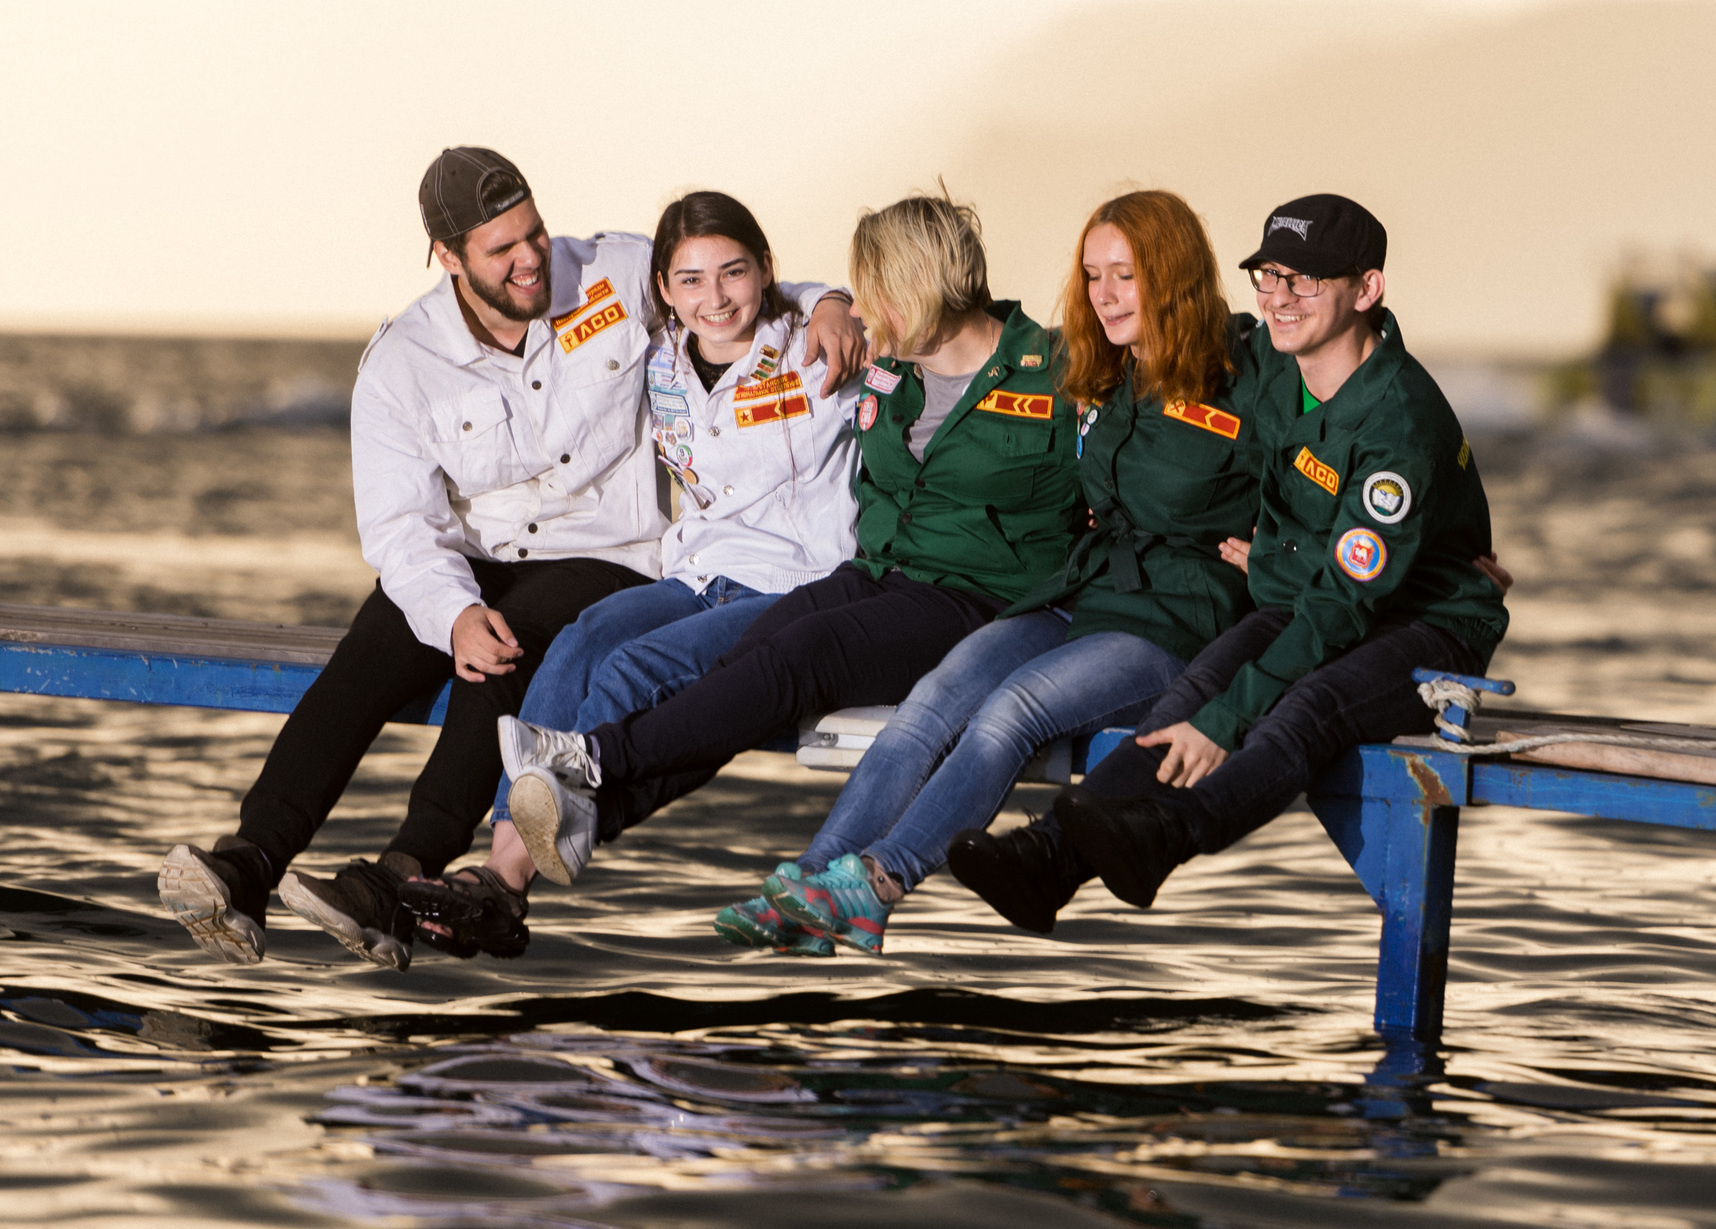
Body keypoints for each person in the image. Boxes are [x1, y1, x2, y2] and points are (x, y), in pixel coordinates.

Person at [157, 148, 860, 969]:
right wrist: (449, 609)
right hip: (477, 557)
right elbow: (400, 527)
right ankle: (251, 860)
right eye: (503, 249)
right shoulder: (402, 362)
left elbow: (736, 289)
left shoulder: (614, 272)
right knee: (376, 643)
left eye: (534, 232)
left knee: (508, 644)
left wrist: (834, 303)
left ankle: (402, 873)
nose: (532, 259)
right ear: (447, 257)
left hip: (608, 552)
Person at [489, 191, 1085, 916]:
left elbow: (1127, 470)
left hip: (980, 595)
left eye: (874, 292)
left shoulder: (1055, 371)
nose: (862, 308)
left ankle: (590, 766)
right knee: (744, 659)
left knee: (790, 654)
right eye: (858, 294)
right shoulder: (894, 366)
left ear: (916, 284)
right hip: (880, 575)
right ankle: (561, 820)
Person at [945, 193, 1509, 932]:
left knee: (1301, 709)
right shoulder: (1281, 371)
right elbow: (1204, 405)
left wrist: (1229, 715)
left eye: (1304, 281)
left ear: (1366, 289)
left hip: (1424, 620)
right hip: (1316, 593)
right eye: (1268, 276)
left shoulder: (1398, 423)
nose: (1279, 298)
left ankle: (1170, 835)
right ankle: (1048, 860)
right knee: (1202, 681)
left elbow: (1343, 605)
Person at [725, 188, 1268, 955]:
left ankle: (877, 883)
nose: (1104, 295)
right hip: (1081, 590)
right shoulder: (1096, 366)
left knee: (1011, 711)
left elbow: (1349, 424)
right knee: (934, 697)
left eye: (1125, 275)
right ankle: (812, 886)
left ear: (1174, 277)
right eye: (1093, 275)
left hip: (1172, 616)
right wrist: (841, 306)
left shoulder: (1250, 372)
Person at [401, 190, 863, 959]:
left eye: (734, 273)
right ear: (662, 291)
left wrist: (834, 301)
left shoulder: (815, 348)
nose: (714, 297)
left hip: (794, 581)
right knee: (581, 638)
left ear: (765, 271)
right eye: (689, 279)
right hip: (697, 571)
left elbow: (866, 329)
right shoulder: (662, 362)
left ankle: (505, 874)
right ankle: (513, 854)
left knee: (637, 665)